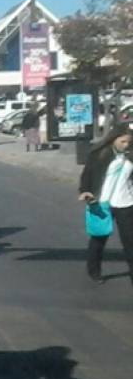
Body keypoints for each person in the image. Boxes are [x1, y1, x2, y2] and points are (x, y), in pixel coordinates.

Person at [78, 123, 133, 286]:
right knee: (99, 239)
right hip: (102, 203)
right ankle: (94, 270)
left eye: (129, 142)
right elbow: (86, 175)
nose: (126, 145)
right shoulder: (99, 154)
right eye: (123, 142)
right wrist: (85, 191)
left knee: (130, 242)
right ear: (114, 139)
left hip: (126, 202)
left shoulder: (131, 155)